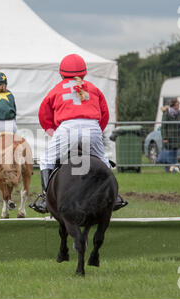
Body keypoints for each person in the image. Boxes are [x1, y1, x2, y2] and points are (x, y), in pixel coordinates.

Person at [28, 54, 128, 213]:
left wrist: (54, 132)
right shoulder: (93, 88)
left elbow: (44, 115)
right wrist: (96, 132)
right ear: (84, 73)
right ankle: (114, 196)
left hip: (68, 128)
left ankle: (46, 200)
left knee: (46, 160)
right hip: (92, 127)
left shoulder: (56, 89)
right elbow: (104, 114)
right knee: (102, 160)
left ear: (61, 74)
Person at [157, 99, 180, 172]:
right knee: (168, 155)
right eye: (178, 105)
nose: (179, 106)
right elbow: (163, 126)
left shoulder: (178, 113)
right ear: (174, 105)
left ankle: (174, 169)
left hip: (176, 137)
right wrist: (164, 137)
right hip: (168, 138)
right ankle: (167, 170)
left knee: (174, 155)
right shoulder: (166, 113)